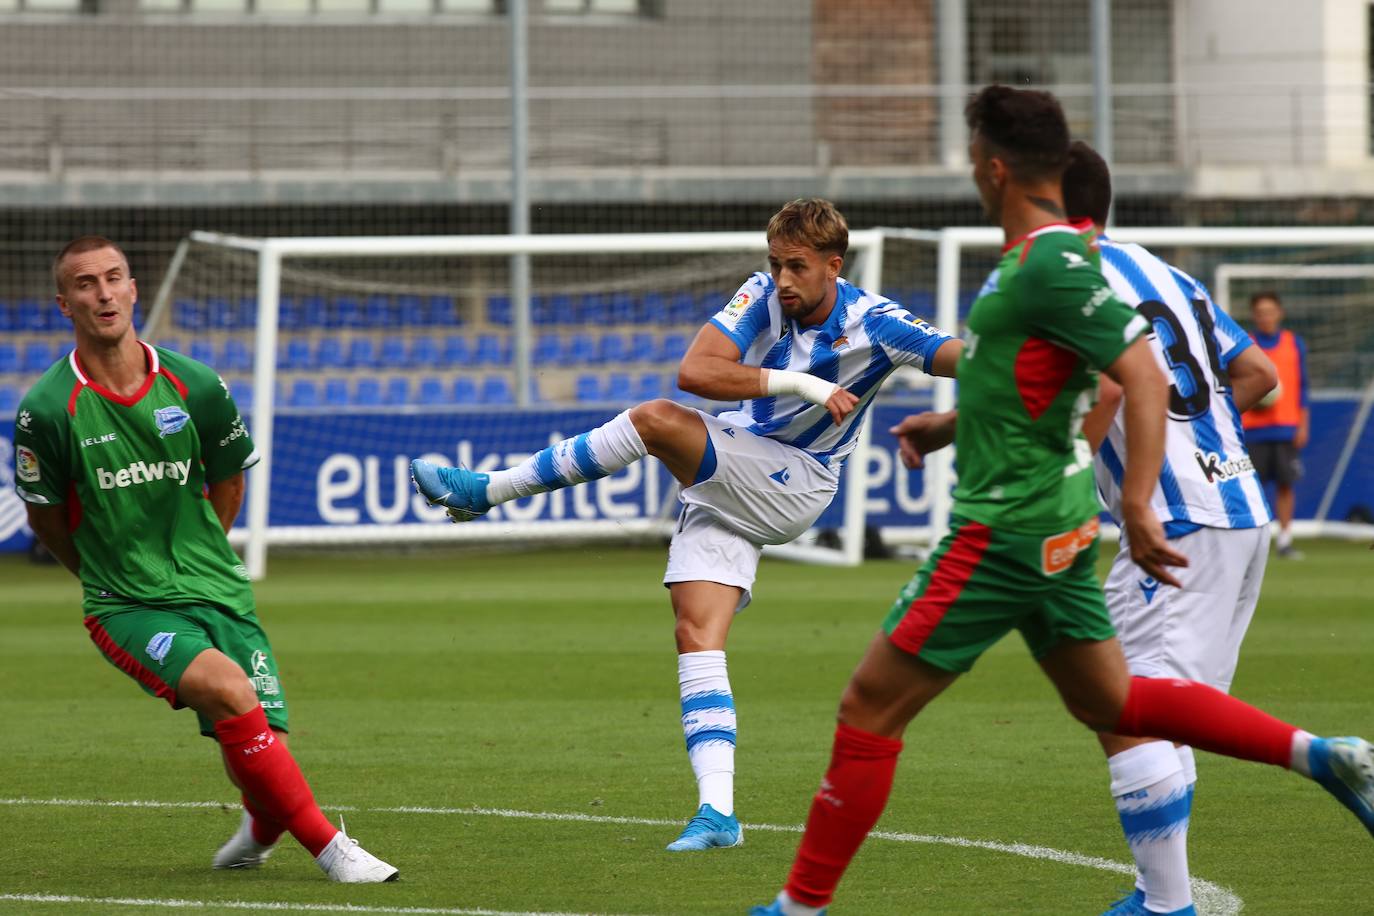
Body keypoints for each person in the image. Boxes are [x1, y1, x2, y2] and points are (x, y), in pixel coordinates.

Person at [748, 86, 1374, 916]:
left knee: (869, 707)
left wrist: (1143, 502)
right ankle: (1318, 758)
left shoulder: (1048, 261)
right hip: (1066, 528)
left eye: (973, 157)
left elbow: (1138, 380)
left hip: (1007, 528)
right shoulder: (1068, 261)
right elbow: (1060, 380)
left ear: (995, 168)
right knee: (1115, 702)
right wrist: (951, 425)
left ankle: (798, 908)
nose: (973, 170)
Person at [411, 198, 962, 851]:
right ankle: (718, 813)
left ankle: (489, 491)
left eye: (798, 267)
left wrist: (957, 421)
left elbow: (976, 365)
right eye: (776, 263)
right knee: (696, 632)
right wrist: (804, 386)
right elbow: (697, 370)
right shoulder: (762, 293)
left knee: (653, 421)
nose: (783, 279)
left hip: (799, 481)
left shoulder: (877, 322)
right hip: (743, 465)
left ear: (833, 266)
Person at [891, 140, 1284, 916]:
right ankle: (1160, 891)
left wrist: (1121, 477)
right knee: (1166, 713)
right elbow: (1258, 376)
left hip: (1173, 520)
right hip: (1240, 515)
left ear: (1049, 198)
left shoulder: (1070, 277)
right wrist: (1200, 441)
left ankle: (1167, 902)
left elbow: (1105, 384)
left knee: (1123, 706)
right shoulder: (1162, 270)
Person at [13, 236, 397, 883]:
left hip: (216, 585)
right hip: (127, 602)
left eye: (113, 278)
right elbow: (44, 519)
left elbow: (228, 481)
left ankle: (259, 826)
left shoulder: (195, 386)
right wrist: (108, 576)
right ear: (63, 303)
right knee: (226, 690)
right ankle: (333, 849)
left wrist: (198, 556)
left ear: (134, 289)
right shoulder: (49, 410)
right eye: (85, 284)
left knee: (255, 736)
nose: (102, 293)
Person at [1242, 291, 1310, 559]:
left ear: (1279, 313)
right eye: (1260, 313)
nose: (1265, 317)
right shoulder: (1245, 343)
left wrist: (1303, 424)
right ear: (1254, 317)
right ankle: (1252, 542)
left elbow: (1303, 386)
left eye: (1270, 312)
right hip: (1251, 428)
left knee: (1285, 484)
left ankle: (1284, 539)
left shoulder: (1294, 343)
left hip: (1285, 426)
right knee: (1250, 487)